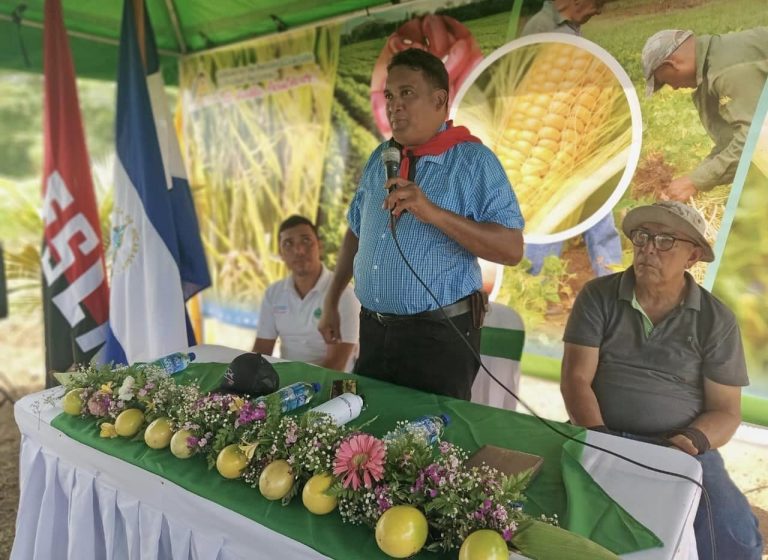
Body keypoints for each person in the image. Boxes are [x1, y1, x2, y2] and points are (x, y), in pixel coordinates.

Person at [561, 201, 763, 560]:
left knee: (737, 541)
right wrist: (604, 442)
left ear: (693, 256)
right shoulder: (598, 296)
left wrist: (681, 447)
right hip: (600, 434)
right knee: (562, 522)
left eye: (666, 240)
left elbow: (726, 411)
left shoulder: (716, 320)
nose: (649, 248)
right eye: (642, 237)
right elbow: (576, 379)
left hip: (683, 448)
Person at [318, 48, 524, 400]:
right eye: (390, 96)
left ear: (440, 100)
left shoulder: (473, 162)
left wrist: (434, 213)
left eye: (407, 94)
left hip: (439, 337)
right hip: (374, 328)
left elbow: (511, 248)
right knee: (372, 436)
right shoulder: (381, 157)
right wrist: (332, 298)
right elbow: (357, 229)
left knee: (431, 441)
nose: (394, 105)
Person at [521, 0, 622, 279]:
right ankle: (536, 284)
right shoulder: (542, 27)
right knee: (553, 214)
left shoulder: (570, 30)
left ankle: (611, 277)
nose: (599, 11)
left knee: (598, 205)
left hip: (576, 136)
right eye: (598, 4)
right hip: (553, 145)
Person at [642, 27, 768, 201]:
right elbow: (732, 139)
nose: (674, 87)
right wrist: (696, 176)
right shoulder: (715, 58)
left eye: (665, 81)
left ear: (671, 64)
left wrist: (694, 181)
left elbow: (756, 141)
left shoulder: (727, 71)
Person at [252, 215, 360, 372]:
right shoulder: (274, 293)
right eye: (288, 244)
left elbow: (336, 365)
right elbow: (261, 349)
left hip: (329, 385)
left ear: (320, 246)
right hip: (285, 381)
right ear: (281, 254)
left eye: (306, 240)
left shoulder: (344, 294)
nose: (299, 250)